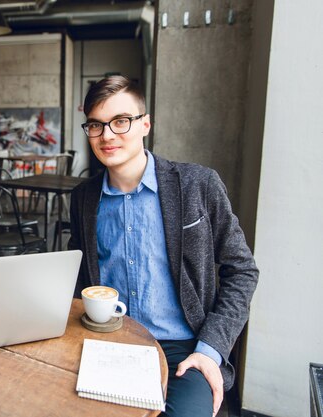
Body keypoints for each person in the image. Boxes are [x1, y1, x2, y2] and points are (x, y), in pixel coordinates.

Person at [68, 75, 259, 417]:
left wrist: (210, 349)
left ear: (145, 124)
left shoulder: (198, 184)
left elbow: (242, 270)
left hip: (185, 348)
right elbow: (79, 274)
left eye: (120, 121)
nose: (107, 135)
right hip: (110, 341)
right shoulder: (84, 197)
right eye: (96, 125)